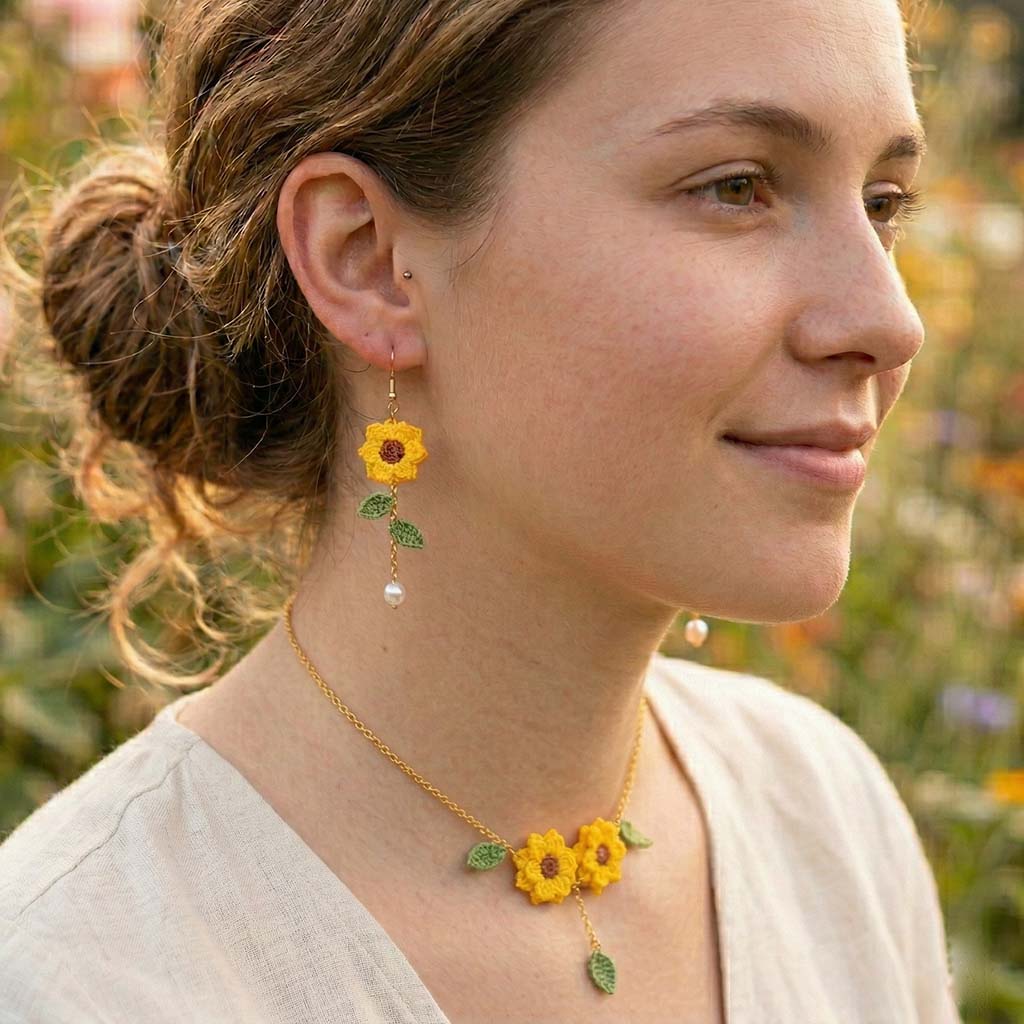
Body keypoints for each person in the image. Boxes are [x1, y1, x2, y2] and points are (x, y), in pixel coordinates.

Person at [0, 0, 962, 1020]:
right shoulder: (81, 974)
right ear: (367, 258)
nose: (887, 320)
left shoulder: (823, 823)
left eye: (884, 201)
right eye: (737, 187)